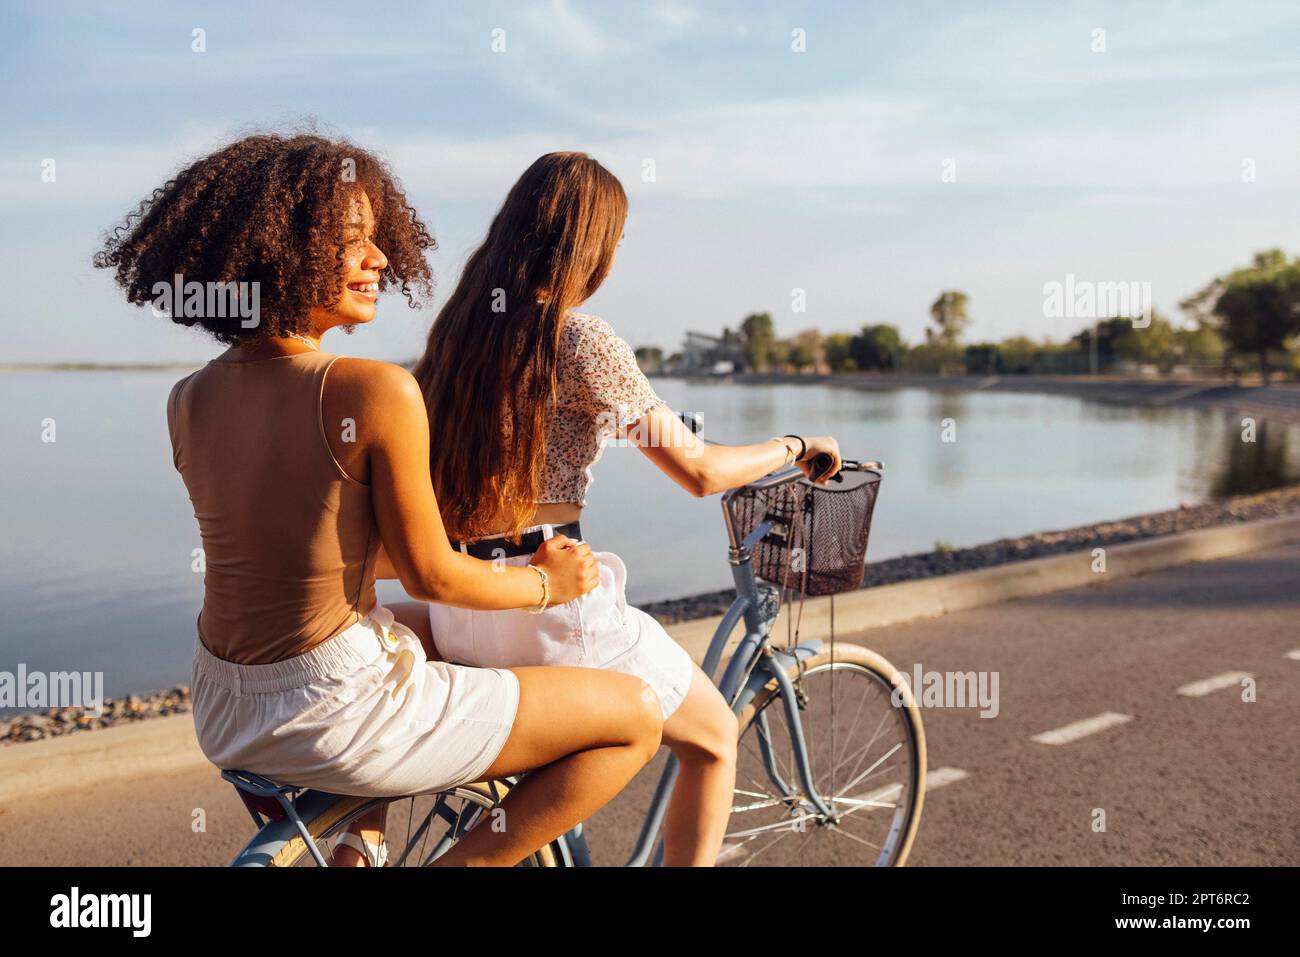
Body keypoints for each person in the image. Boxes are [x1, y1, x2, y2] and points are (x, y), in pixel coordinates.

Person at [93, 133, 663, 867]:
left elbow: (319, 559)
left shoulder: (189, 398)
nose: (382, 258)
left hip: (226, 706)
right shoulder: (373, 388)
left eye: (379, 239)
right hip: (334, 713)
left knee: (405, 632)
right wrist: (551, 581)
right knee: (633, 717)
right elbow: (434, 574)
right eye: (355, 240)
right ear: (280, 250)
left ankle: (355, 844)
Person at [408, 151, 841, 865]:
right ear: (589, 244)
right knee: (711, 737)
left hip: (468, 608)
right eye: (616, 240)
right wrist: (793, 444)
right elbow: (699, 470)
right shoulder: (578, 338)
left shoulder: (459, 338)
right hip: (549, 610)